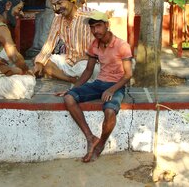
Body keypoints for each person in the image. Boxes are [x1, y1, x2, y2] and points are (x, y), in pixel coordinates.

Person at [56, 10, 132, 163]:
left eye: (98, 26)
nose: (95, 30)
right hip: (99, 83)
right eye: (92, 27)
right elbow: (88, 70)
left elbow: (128, 75)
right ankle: (90, 138)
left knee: (110, 111)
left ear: (107, 25)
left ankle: (101, 144)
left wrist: (111, 89)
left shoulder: (122, 45)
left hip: (116, 86)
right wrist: (73, 89)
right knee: (69, 98)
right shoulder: (94, 45)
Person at [33, 0, 99, 83]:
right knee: (42, 61)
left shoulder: (91, 17)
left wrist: (87, 56)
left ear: (71, 0)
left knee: (86, 69)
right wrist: (39, 63)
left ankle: (78, 78)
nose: (57, 8)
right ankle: (71, 79)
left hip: (88, 63)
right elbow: (49, 44)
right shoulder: (58, 19)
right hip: (68, 61)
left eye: (59, 3)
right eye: (54, 5)